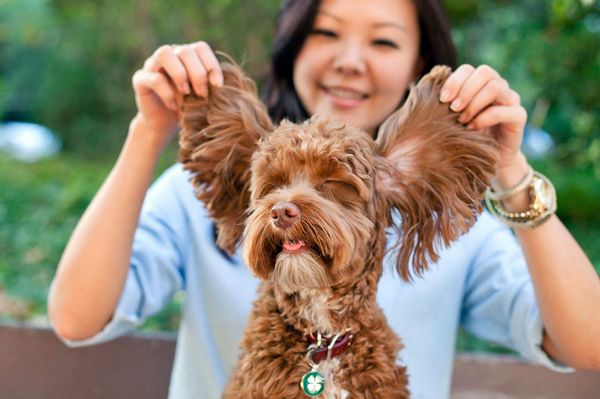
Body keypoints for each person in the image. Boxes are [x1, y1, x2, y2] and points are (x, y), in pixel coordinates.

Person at [48, 0, 600, 397]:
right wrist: (150, 129)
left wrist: (509, 169)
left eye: (383, 40)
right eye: (327, 32)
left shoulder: (462, 228)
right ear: (291, 46)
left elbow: (588, 344)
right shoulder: (199, 197)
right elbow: (76, 318)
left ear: (416, 65)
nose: (351, 60)